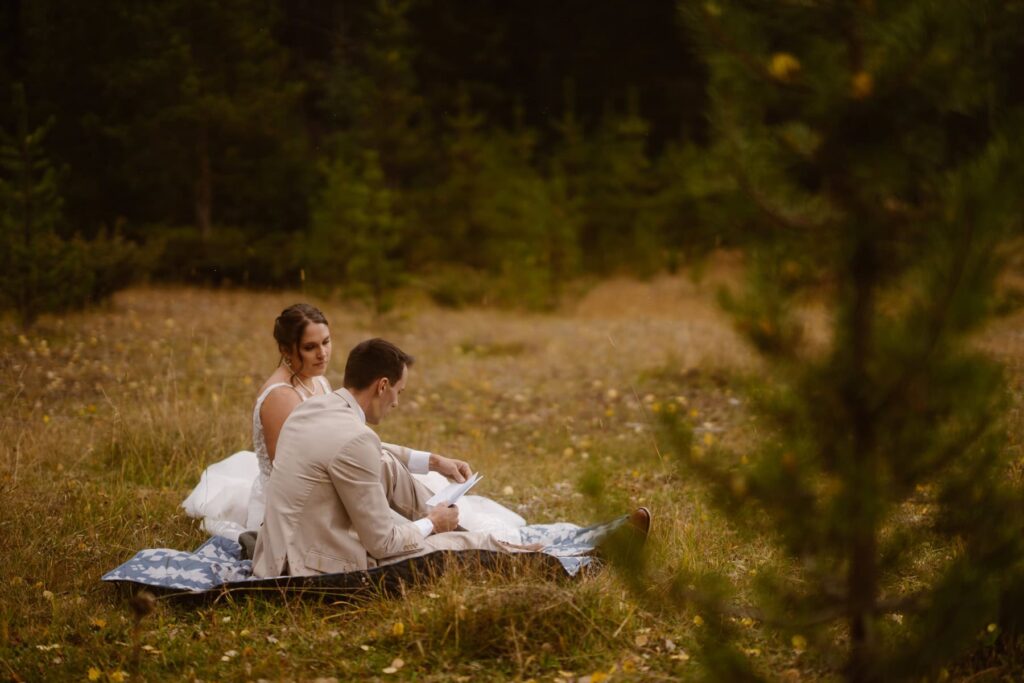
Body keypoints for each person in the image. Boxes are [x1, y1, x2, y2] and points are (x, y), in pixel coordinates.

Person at [181, 304, 524, 540]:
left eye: (327, 342)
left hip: (333, 480)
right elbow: (292, 466)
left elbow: (345, 441)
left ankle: (447, 529)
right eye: (311, 347)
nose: (323, 354)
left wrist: (429, 460)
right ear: (288, 350)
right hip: (297, 503)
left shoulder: (319, 383)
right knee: (393, 514)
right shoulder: (279, 397)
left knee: (418, 487)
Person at [252, 338, 523, 576]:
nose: (396, 403)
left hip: (278, 553)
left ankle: (446, 521)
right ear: (383, 386)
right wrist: (431, 524)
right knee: (450, 547)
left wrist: (434, 461)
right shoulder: (356, 440)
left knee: (387, 463)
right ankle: (501, 551)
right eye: (399, 392)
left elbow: (361, 448)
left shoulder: (313, 408)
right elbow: (382, 544)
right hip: (307, 567)